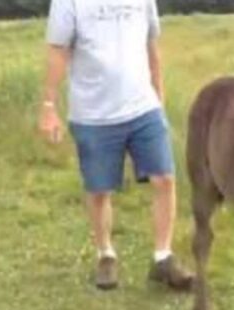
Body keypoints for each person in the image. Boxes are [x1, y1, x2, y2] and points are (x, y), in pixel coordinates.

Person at [37, 0, 193, 291]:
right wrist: (48, 106)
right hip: (93, 114)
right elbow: (58, 51)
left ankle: (163, 257)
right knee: (99, 190)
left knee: (165, 179)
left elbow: (151, 46)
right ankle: (105, 255)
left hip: (143, 107)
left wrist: (159, 99)